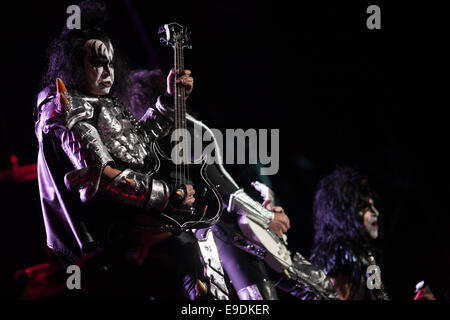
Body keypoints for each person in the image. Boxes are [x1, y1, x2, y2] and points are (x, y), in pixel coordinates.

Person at [34, 1, 210, 299]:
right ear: (76, 65)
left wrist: (168, 102)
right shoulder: (63, 105)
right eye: (98, 63)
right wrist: (168, 194)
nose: (107, 72)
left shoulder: (103, 103)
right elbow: (101, 175)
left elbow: (135, 147)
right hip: (106, 246)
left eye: (110, 63)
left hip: (135, 233)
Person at [125, 68, 338, 300]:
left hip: (204, 252)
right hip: (225, 239)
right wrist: (267, 218)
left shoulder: (143, 153)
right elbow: (228, 192)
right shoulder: (187, 130)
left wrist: (262, 213)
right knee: (317, 290)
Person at [309, 166, 389, 300]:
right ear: (345, 213)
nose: (376, 213)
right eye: (365, 207)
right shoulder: (340, 255)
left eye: (373, 205)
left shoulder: (366, 256)